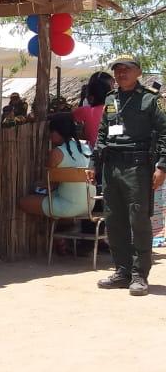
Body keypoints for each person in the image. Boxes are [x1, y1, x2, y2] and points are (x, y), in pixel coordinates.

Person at [90, 55, 166, 296]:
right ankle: (122, 271)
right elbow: (103, 132)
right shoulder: (110, 98)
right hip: (111, 167)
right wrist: (93, 163)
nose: (121, 73)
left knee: (138, 220)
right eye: (117, 70)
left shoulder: (152, 99)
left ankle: (139, 275)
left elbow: (165, 133)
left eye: (126, 69)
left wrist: (162, 166)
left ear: (138, 72)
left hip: (138, 167)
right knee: (114, 220)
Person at [18, 113, 95, 219]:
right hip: (90, 204)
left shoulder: (57, 153)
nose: (50, 136)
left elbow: (48, 183)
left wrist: (34, 185)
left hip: (68, 206)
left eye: (51, 132)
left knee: (23, 202)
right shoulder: (87, 148)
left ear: (57, 132)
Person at [73, 71, 113, 145]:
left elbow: (67, 117)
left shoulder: (85, 110)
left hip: (93, 148)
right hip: (110, 147)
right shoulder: (113, 108)